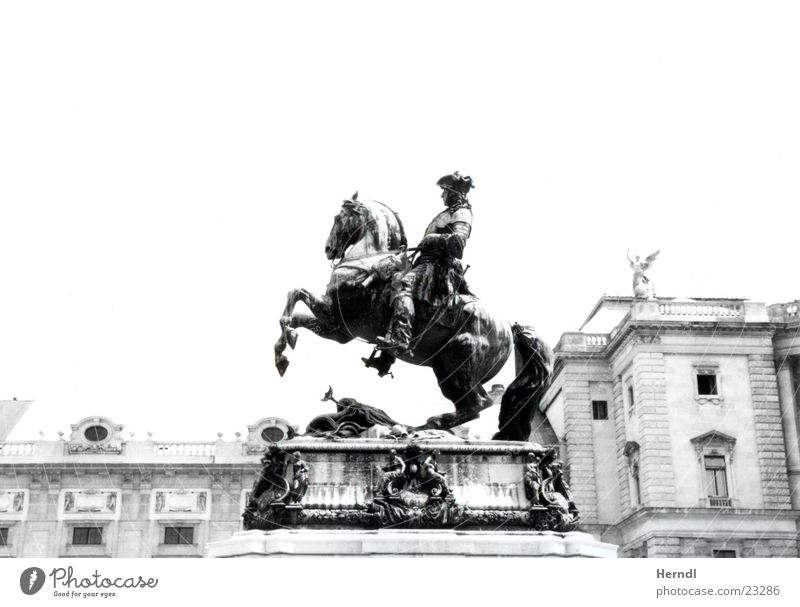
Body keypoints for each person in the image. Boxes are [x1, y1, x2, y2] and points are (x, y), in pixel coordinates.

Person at [376, 171, 474, 355]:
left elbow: (457, 245)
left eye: (444, 190)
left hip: (438, 267)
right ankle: (386, 356)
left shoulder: (463, 213)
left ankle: (400, 339)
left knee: (402, 285)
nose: (441, 194)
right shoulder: (446, 213)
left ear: (453, 191)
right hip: (425, 262)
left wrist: (431, 238)